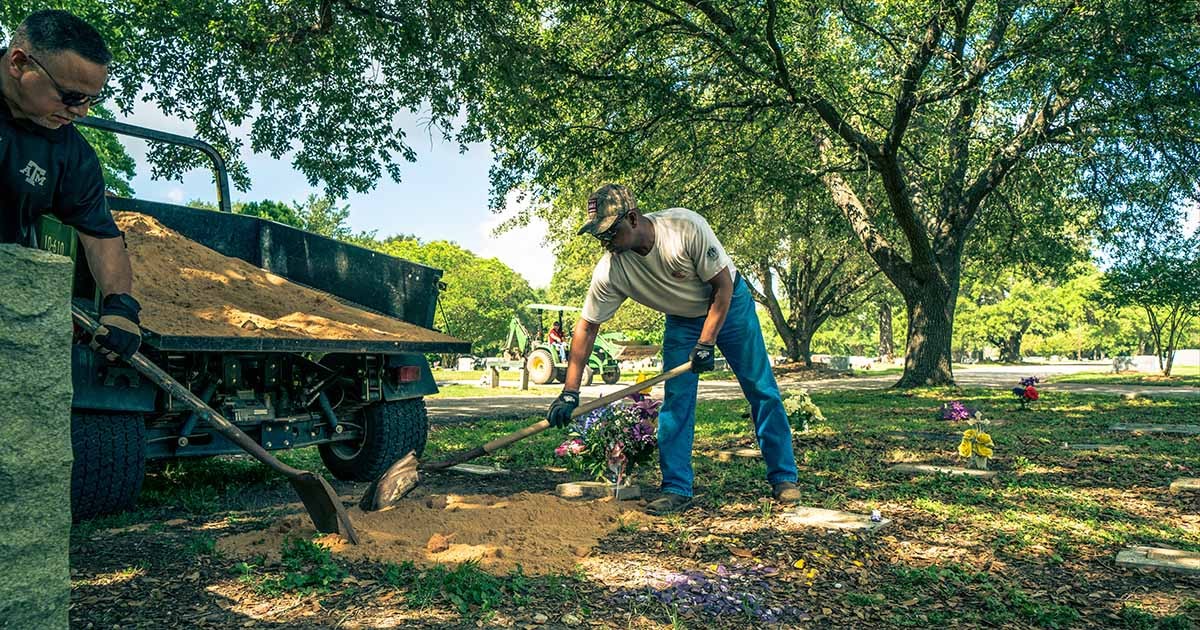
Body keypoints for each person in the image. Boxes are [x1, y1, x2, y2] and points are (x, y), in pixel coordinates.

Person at [547, 184, 800, 515]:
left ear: (633, 218)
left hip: (730, 305)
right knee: (678, 399)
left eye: (610, 232)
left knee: (760, 389)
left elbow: (722, 286)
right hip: (682, 319)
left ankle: (784, 479)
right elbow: (587, 326)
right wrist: (569, 390)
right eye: (598, 235)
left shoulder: (684, 228)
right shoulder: (612, 269)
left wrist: (707, 343)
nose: (604, 241)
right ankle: (677, 487)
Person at [1, 10, 141, 361]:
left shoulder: (71, 155)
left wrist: (120, 307)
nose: (82, 112)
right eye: (72, 97)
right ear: (19, 63)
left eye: (92, 100)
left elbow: (100, 235)